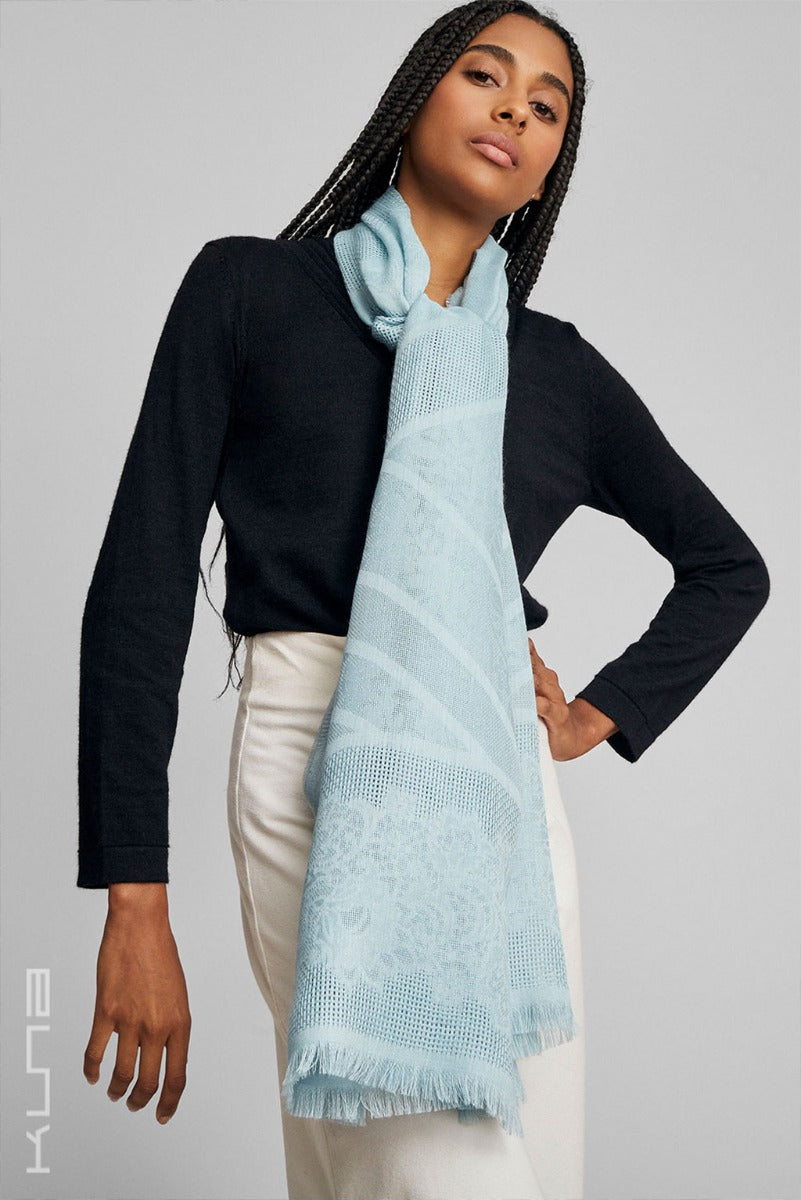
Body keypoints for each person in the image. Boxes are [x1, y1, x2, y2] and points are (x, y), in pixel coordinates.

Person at [76, 3, 770, 1198]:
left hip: (499, 804)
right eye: (485, 75)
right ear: (415, 98)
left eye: (546, 106)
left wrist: (592, 714)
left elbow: (729, 567)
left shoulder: (552, 368)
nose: (514, 110)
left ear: (548, 169)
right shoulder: (250, 291)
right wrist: (134, 894)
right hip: (312, 769)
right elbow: (139, 588)